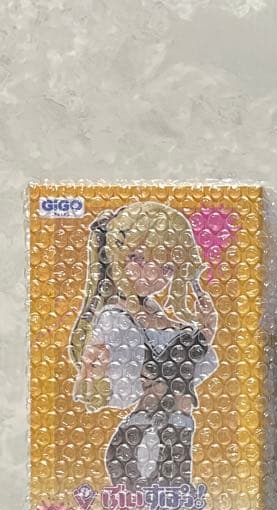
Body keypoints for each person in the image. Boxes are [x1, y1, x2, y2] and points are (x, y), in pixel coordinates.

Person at [69, 202, 218, 488]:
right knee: (145, 506)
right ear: (116, 255)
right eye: (137, 259)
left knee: (173, 505)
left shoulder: (155, 315)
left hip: (175, 437)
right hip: (140, 441)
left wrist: (207, 329)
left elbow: (188, 368)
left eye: (166, 268)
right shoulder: (115, 319)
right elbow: (123, 391)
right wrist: (100, 373)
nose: (152, 275)